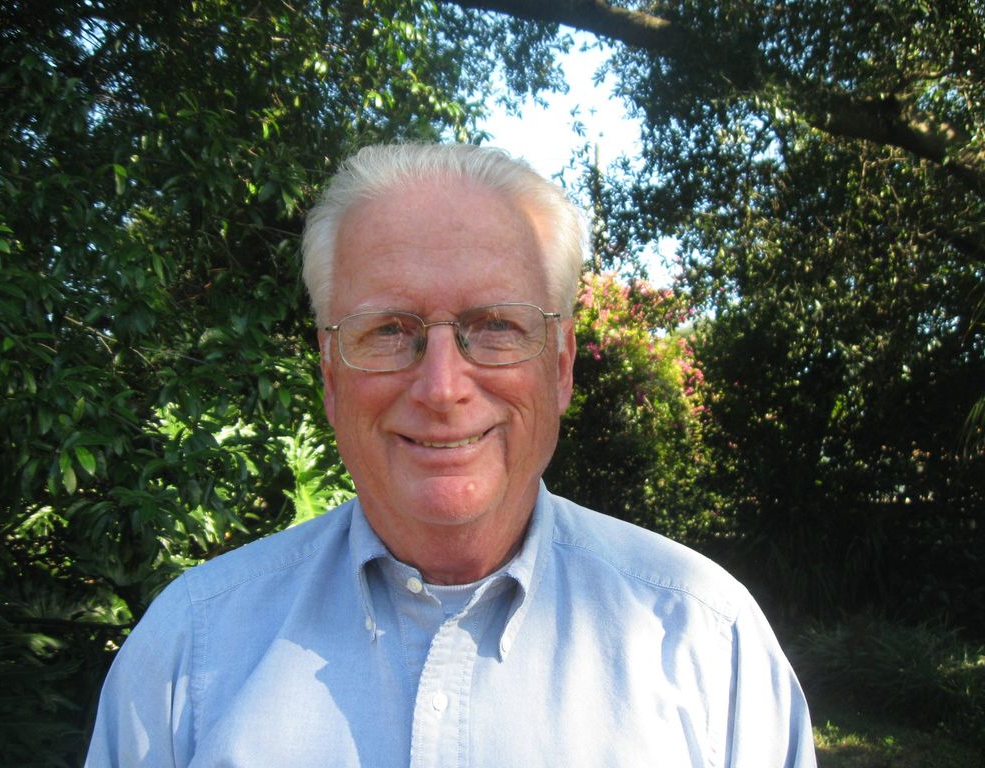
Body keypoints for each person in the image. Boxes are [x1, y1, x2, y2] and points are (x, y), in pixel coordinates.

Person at [85, 143, 817, 767]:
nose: (441, 387)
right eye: (389, 330)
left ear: (561, 367)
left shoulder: (708, 644)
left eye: (495, 325)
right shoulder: (187, 654)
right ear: (330, 376)